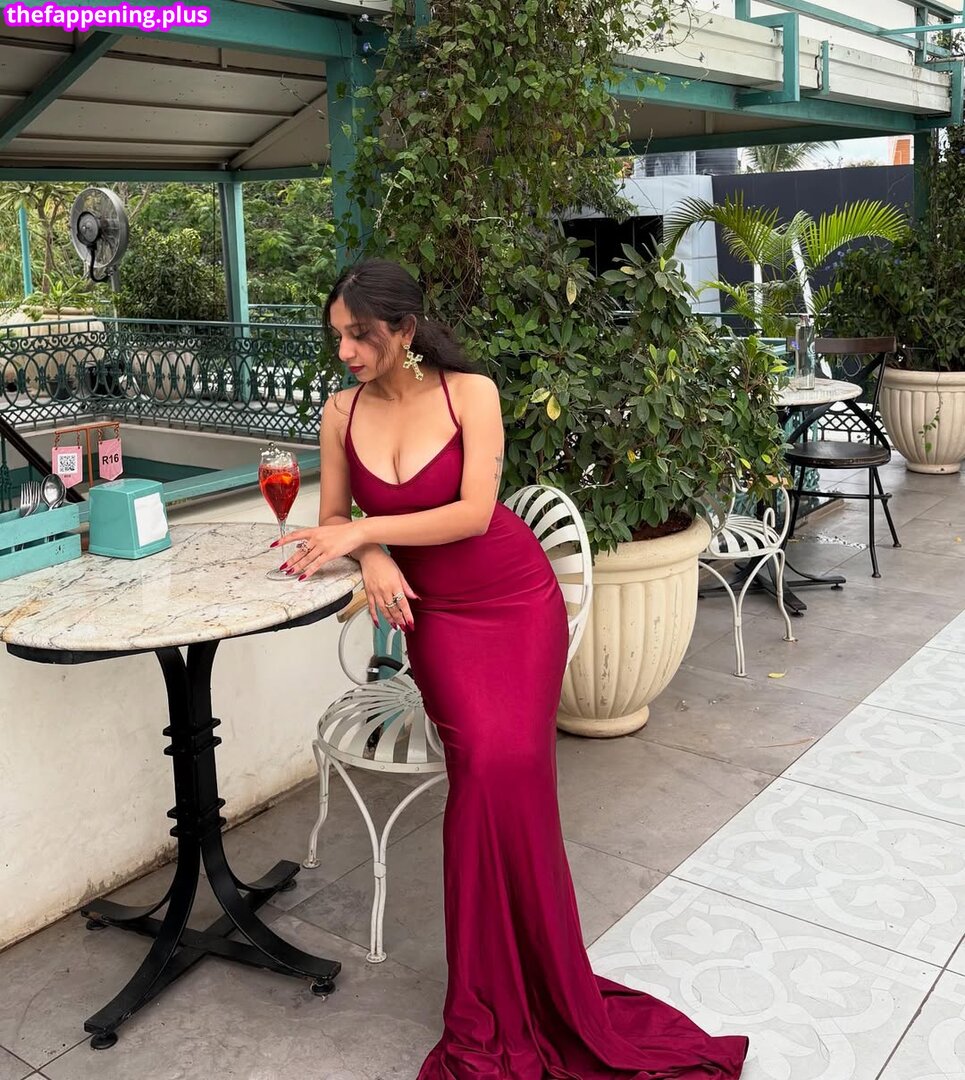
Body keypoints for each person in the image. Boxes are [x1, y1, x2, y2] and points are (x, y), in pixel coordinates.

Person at [276, 259, 749, 1079]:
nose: (345, 351)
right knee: (483, 777)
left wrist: (364, 535)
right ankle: (487, 999)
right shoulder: (340, 412)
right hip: (440, 618)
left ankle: (543, 983)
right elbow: (333, 517)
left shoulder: (471, 393)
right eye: (338, 336)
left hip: (512, 600)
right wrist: (372, 553)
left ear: (404, 330)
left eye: (360, 334)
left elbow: (470, 513)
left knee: (510, 774)